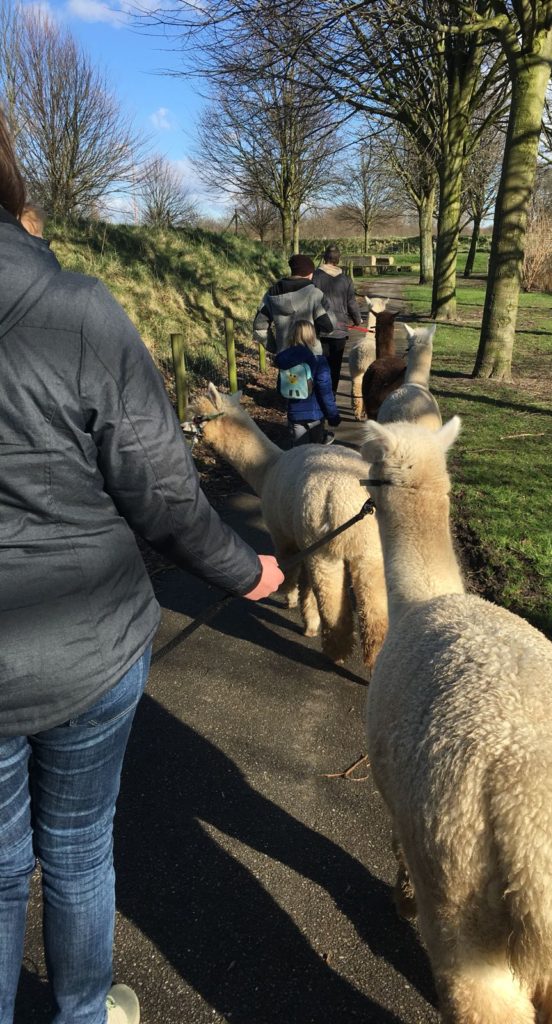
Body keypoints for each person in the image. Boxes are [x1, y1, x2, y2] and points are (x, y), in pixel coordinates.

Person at [0, 111, 284, 1024]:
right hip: (88, 646)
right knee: (77, 844)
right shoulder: (79, 310)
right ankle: (84, 1010)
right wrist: (247, 573)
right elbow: (164, 496)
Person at [274, 320, 341, 446]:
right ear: (312, 337)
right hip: (316, 415)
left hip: (295, 415)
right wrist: (333, 416)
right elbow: (325, 392)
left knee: (300, 454)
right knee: (315, 454)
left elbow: (280, 389)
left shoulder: (285, 363)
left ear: (292, 335)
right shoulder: (319, 361)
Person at [253, 253, 335, 355]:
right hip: (311, 356)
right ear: (310, 274)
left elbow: (259, 327)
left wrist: (275, 347)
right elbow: (329, 327)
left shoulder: (270, 295)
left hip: (285, 357)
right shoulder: (315, 294)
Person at [312, 245, 362, 395]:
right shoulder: (346, 279)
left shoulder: (315, 277)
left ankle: (320, 395)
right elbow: (351, 302)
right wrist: (357, 319)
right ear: (338, 259)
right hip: (340, 329)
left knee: (320, 364)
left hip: (319, 327)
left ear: (324, 258)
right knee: (335, 366)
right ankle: (331, 396)